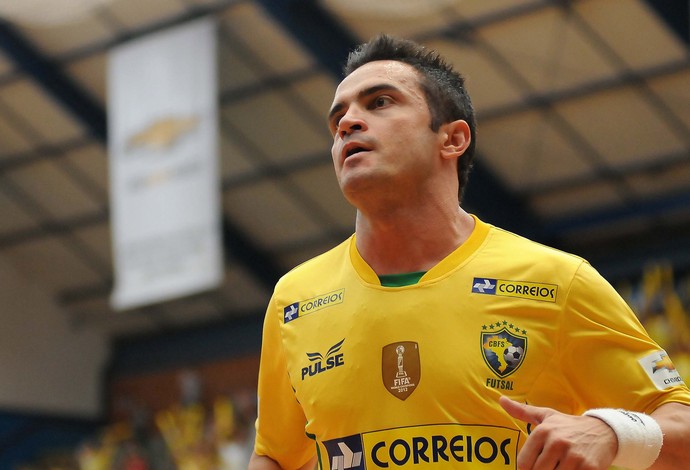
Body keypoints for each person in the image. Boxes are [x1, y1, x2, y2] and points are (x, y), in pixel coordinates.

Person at [249, 34, 690, 470]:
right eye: (338, 118)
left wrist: (611, 430)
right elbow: (275, 455)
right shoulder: (295, 299)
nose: (348, 122)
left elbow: (681, 426)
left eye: (380, 102)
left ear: (452, 139)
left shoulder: (557, 281)